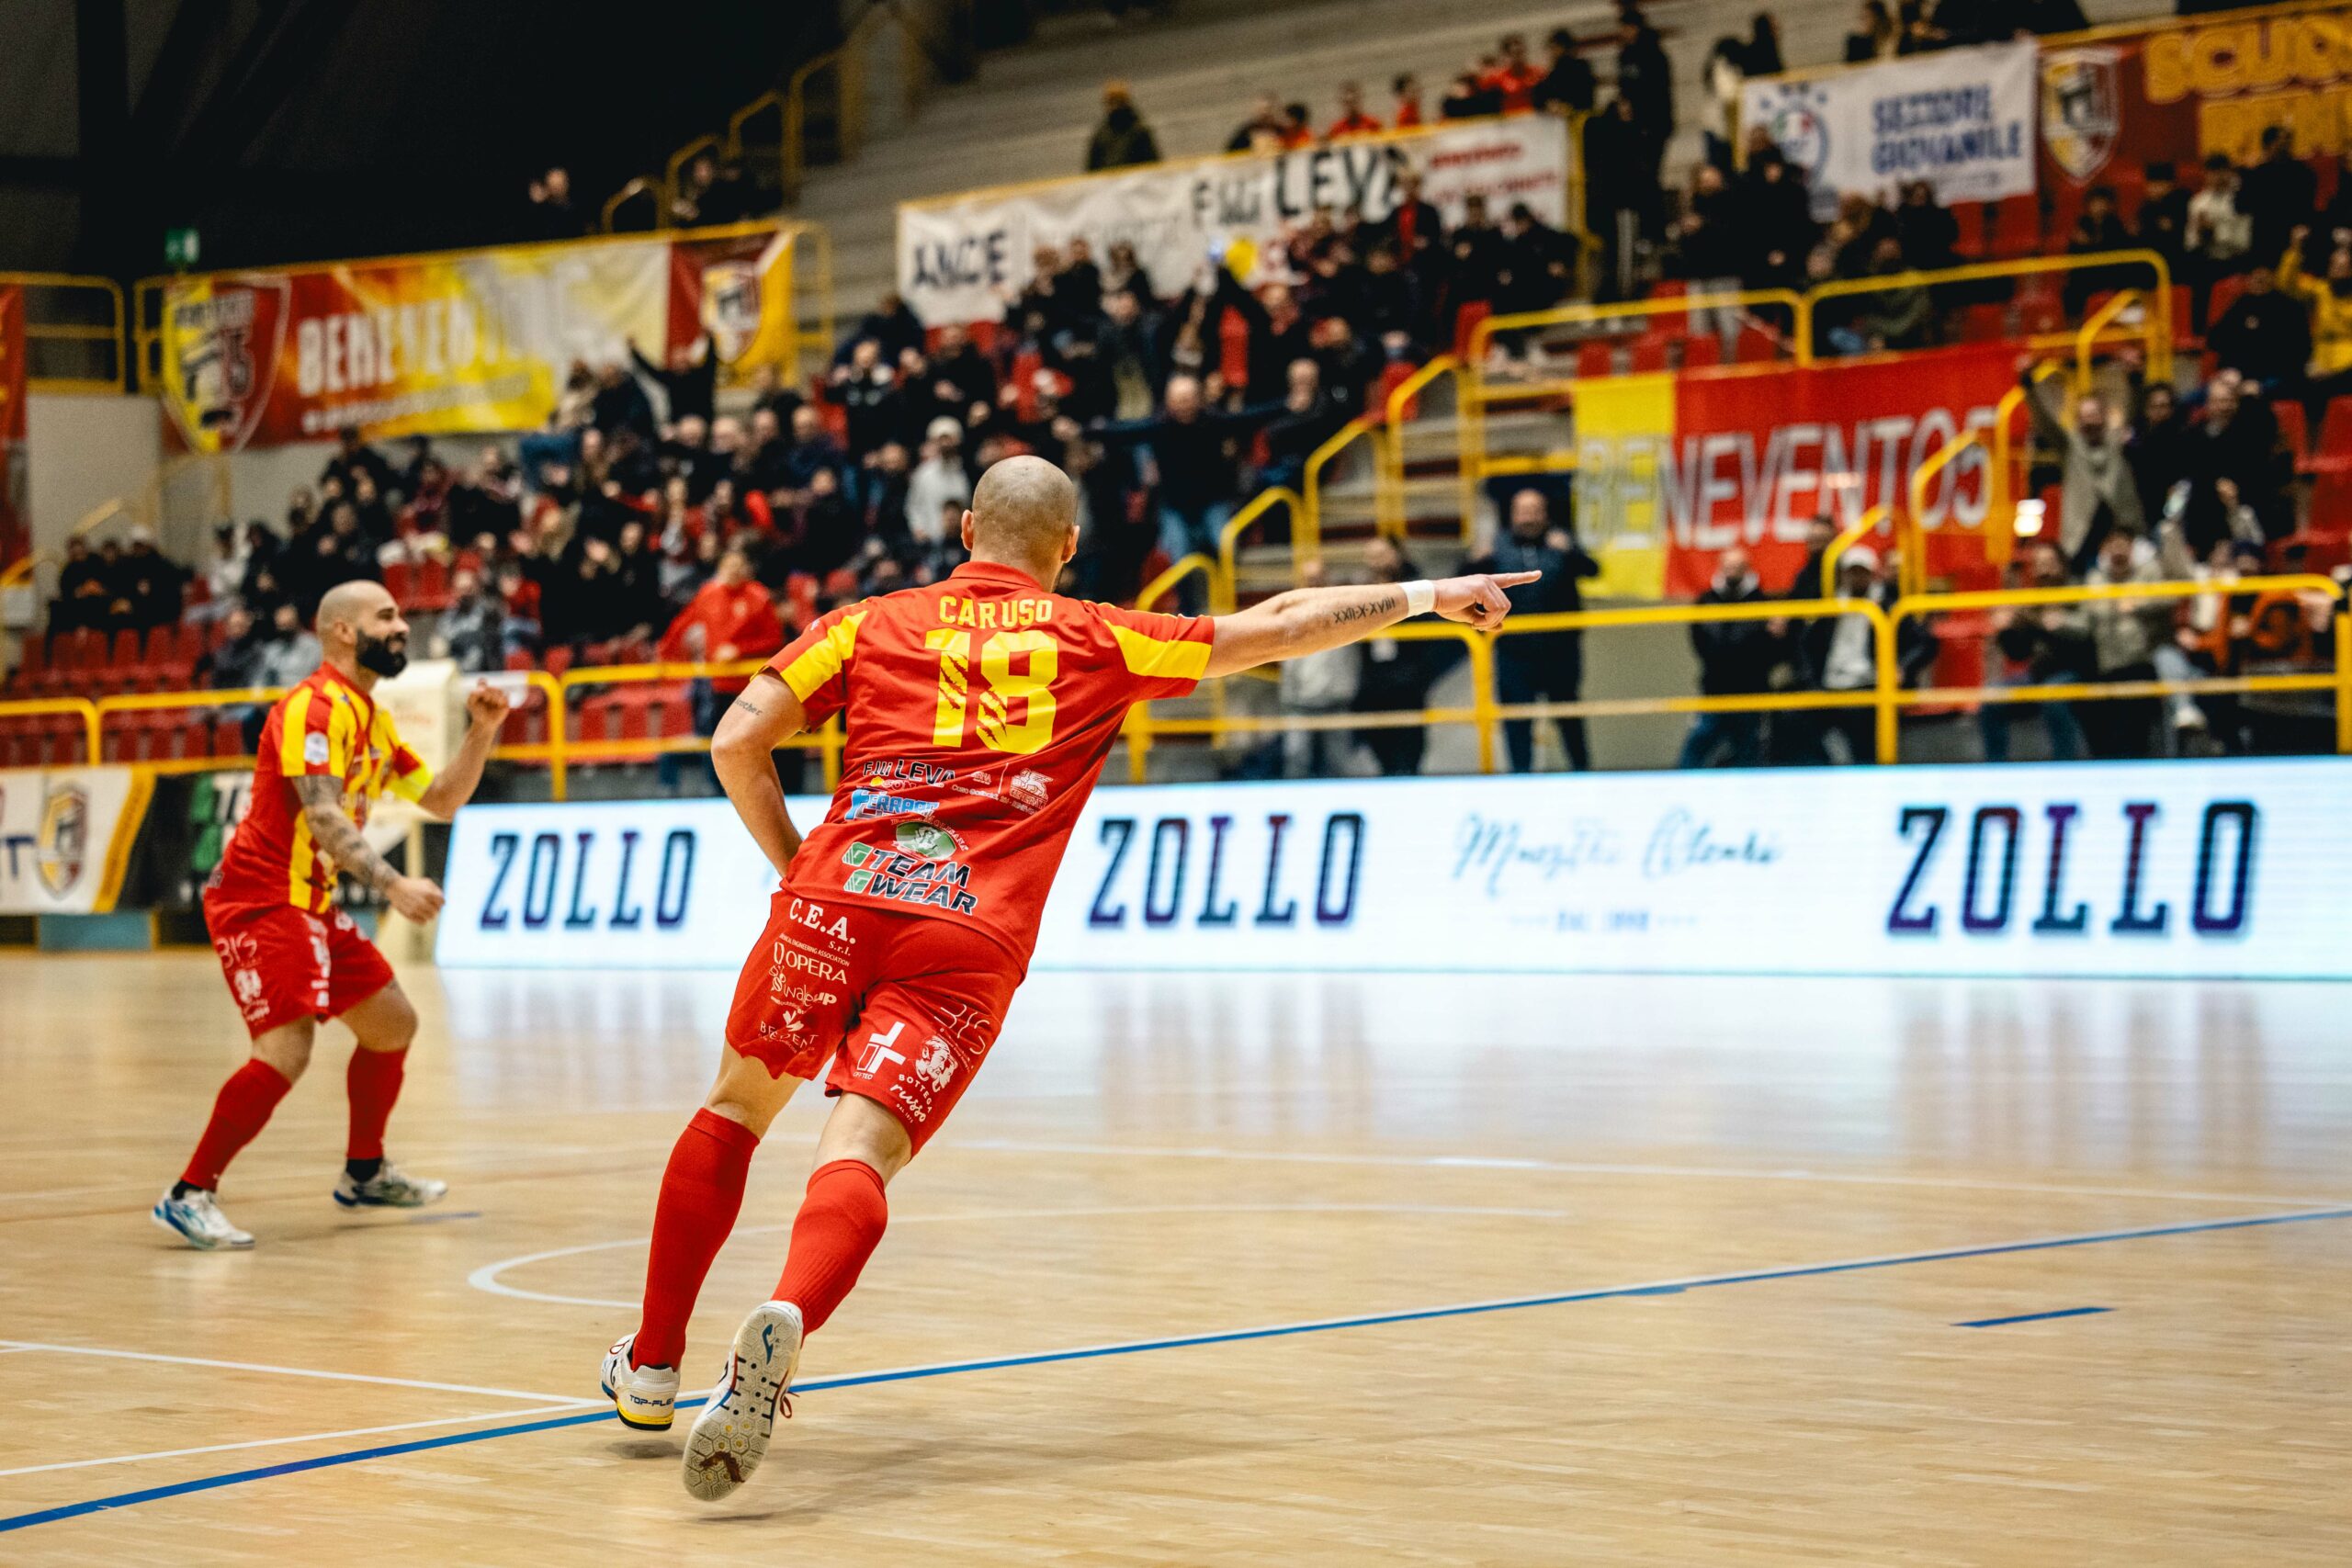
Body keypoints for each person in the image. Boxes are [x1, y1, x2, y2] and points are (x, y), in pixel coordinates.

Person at [597, 456, 1538, 1500]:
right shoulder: (1099, 635)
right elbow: (1277, 626)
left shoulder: (865, 623)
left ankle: (651, 1366)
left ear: (964, 529)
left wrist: (799, 873)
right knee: (859, 1150)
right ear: (1069, 547)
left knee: (735, 1110)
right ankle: (787, 1319)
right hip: (965, 934)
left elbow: (737, 741)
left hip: (833, 901)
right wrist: (1429, 593)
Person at [153, 581, 510, 1249]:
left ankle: (364, 1172)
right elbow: (321, 815)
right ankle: (189, 1192)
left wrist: (481, 733)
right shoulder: (312, 709)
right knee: (285, 1050)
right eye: (387, 616)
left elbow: (441, 798)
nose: (401, 626)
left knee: (392, 1023)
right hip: (261, 896)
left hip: (310, 899)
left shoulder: (370, 718)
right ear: (344, 630)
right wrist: (392, 883)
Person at [1476, 488, 1600, 771]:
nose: (1528, 518)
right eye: (1523, 511)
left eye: (1534, 511)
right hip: (1513, 653)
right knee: (1517, 723)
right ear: (1512, 515)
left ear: (1545, 514)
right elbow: (1464, 580)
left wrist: (1570, 551)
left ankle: (1583, 776)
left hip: (1561, 652)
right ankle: (1520, 781)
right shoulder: (1497, 547)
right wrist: (1479, 558)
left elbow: (1594, 570)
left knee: (1569, 719)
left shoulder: (1561, 542)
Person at [1678, 547, 1781, 766]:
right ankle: (1682, 785)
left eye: (1738, 566)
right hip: (1714, 690)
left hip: (1750, 691)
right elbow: (1699, 641)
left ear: (1747, 568)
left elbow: (1770, 648)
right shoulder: (1706, 601)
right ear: (1720, 567)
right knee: (1695, 748)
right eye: (1729, 566)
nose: (1733, 571)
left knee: (1748, 752)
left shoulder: (1762, 602)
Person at [1084, 81, 1160, 171]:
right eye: (1111, 101)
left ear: (1125, 102)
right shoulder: (1101, 135)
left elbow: (1153, 164)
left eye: (1118, 101)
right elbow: (1092, 168)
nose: (1114, 106)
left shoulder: (1139, 131)